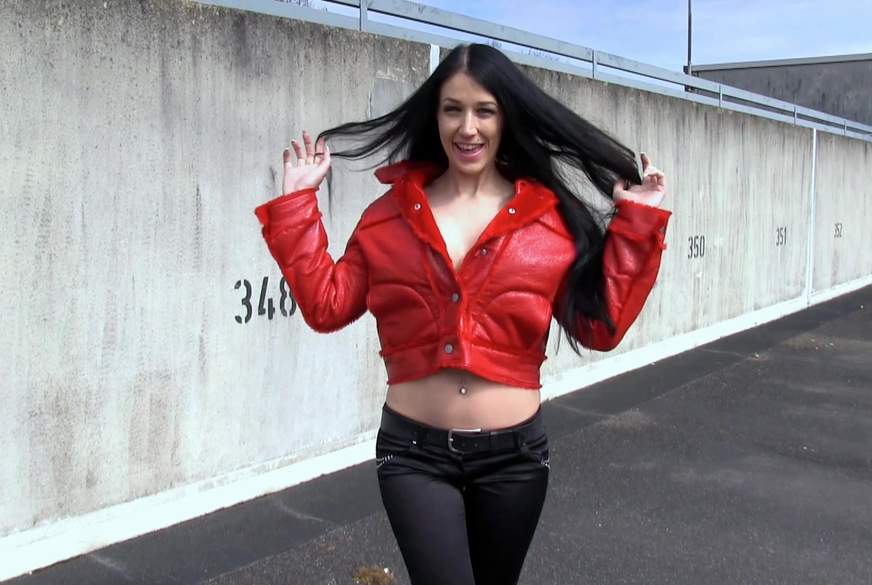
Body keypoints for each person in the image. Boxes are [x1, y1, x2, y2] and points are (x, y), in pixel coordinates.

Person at [254, 43, 670, 585]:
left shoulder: (547, 221)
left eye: (484, 111)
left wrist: (637, 223)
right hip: (414, 456)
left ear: (506, 118)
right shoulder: (387, 217)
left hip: (515, 459)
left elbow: (601, 327)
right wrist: (295, 207)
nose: (467, 127)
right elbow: (327, 305)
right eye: (453, 109)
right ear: (435, 117)